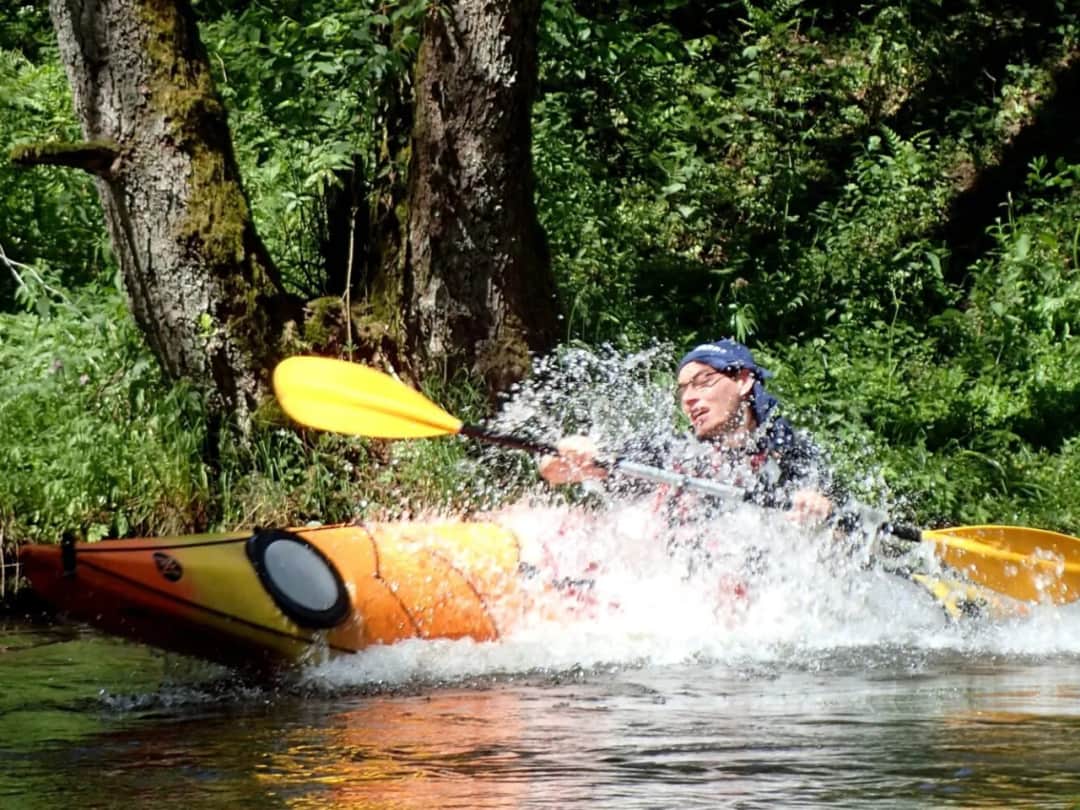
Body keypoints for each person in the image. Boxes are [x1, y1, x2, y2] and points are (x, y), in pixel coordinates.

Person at [538, 338, 834, 525]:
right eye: (683, 389)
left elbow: (834, 508)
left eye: (704, 381)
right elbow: (553, 470)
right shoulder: (673, 450)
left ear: (743, 381)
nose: (689, 398)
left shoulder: (787, 449)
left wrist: (819, 506)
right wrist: (575, 449)